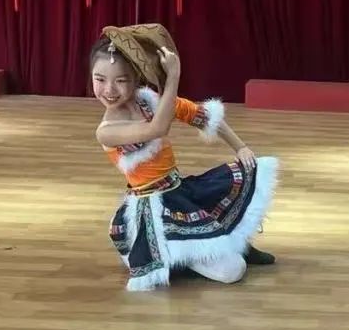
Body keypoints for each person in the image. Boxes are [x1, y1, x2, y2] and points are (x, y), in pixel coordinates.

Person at [91, 23, 278, 291]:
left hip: (179, 191)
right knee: (233, 271)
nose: (109, 89)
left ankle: (230, 245)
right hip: (152, 209)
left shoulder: (147, 101)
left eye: (120, 80)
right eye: (100, 79)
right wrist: (174, 76)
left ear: (135, 78)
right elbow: (157, 128)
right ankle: (180, 257)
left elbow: (199, 114)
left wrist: (241, 147)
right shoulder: (106, 131)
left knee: (248, 174)